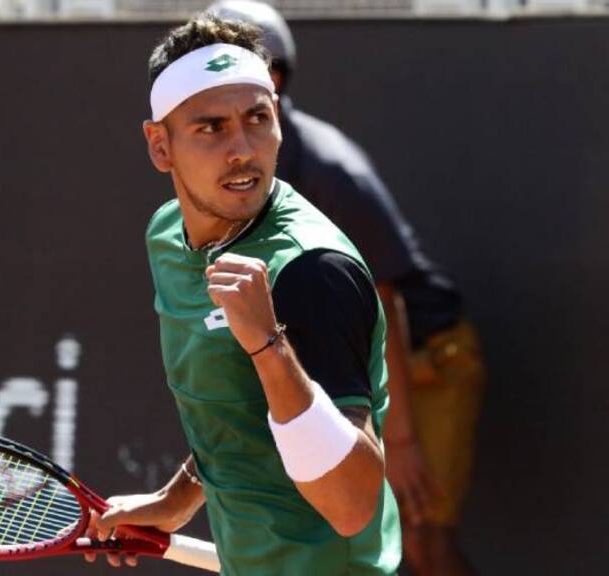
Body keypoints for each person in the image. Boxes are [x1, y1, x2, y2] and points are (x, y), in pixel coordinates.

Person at [84, 14, 401, 576]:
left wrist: (268, 347)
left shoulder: (310, 272)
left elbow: (354, 504)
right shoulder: (168, 236)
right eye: (211, 128)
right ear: (160, 146)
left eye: (258, 119)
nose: (242, 150)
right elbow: (236, 412)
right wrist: (177, 500)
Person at [206, 3, 486, 575]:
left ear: (275, 82)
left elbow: (387, 299)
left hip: (425, 359)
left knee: (421, 535)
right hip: (341, 366)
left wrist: (402, 441)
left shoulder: (331, 173)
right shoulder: (224, 178)